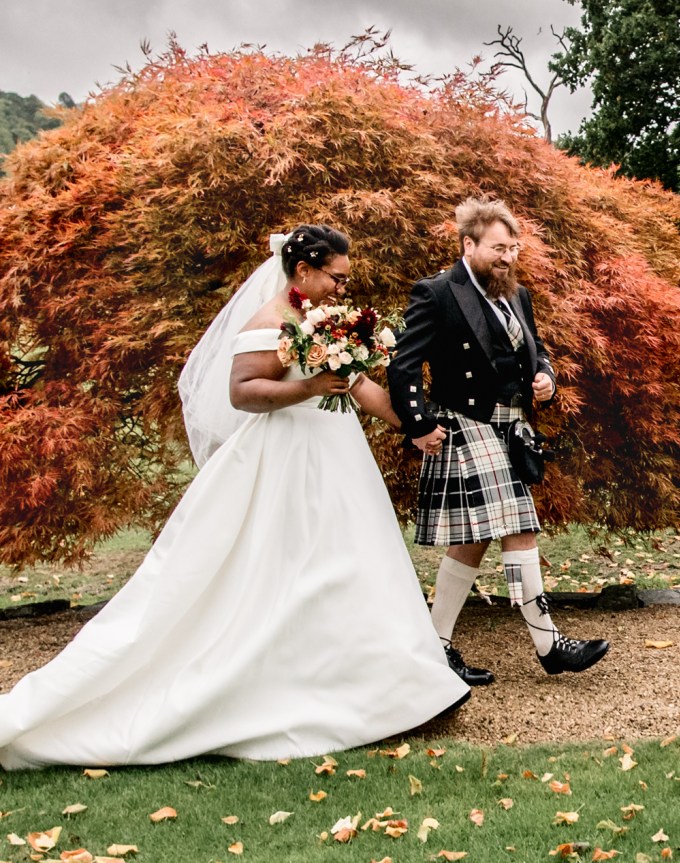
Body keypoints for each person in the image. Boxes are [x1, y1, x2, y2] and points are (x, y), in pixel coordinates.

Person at [0, 224, 469, 770]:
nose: (343, 288)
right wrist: (309, 388)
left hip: (338, 459)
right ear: (304, 271)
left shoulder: (327, 321)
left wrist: (413, 426)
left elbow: (360, 385)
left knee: (356, 564)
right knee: (283, 574)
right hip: (284, 461)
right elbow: (242, 392)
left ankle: (392, 690)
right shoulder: (270, 320)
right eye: (336, 277)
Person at [388, 197, 609, 685]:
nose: (507, 257)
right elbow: (403, 365)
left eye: (513, 248)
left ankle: (435, 645)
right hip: (465, 421)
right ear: (468, 244)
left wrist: (545, 378)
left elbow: (537, 349)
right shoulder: (438, 292)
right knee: (519, 523)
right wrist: (418, 423)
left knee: (474, 539)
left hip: (510, 426)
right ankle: (549, 643)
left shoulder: (517, 295)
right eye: (497, 248)